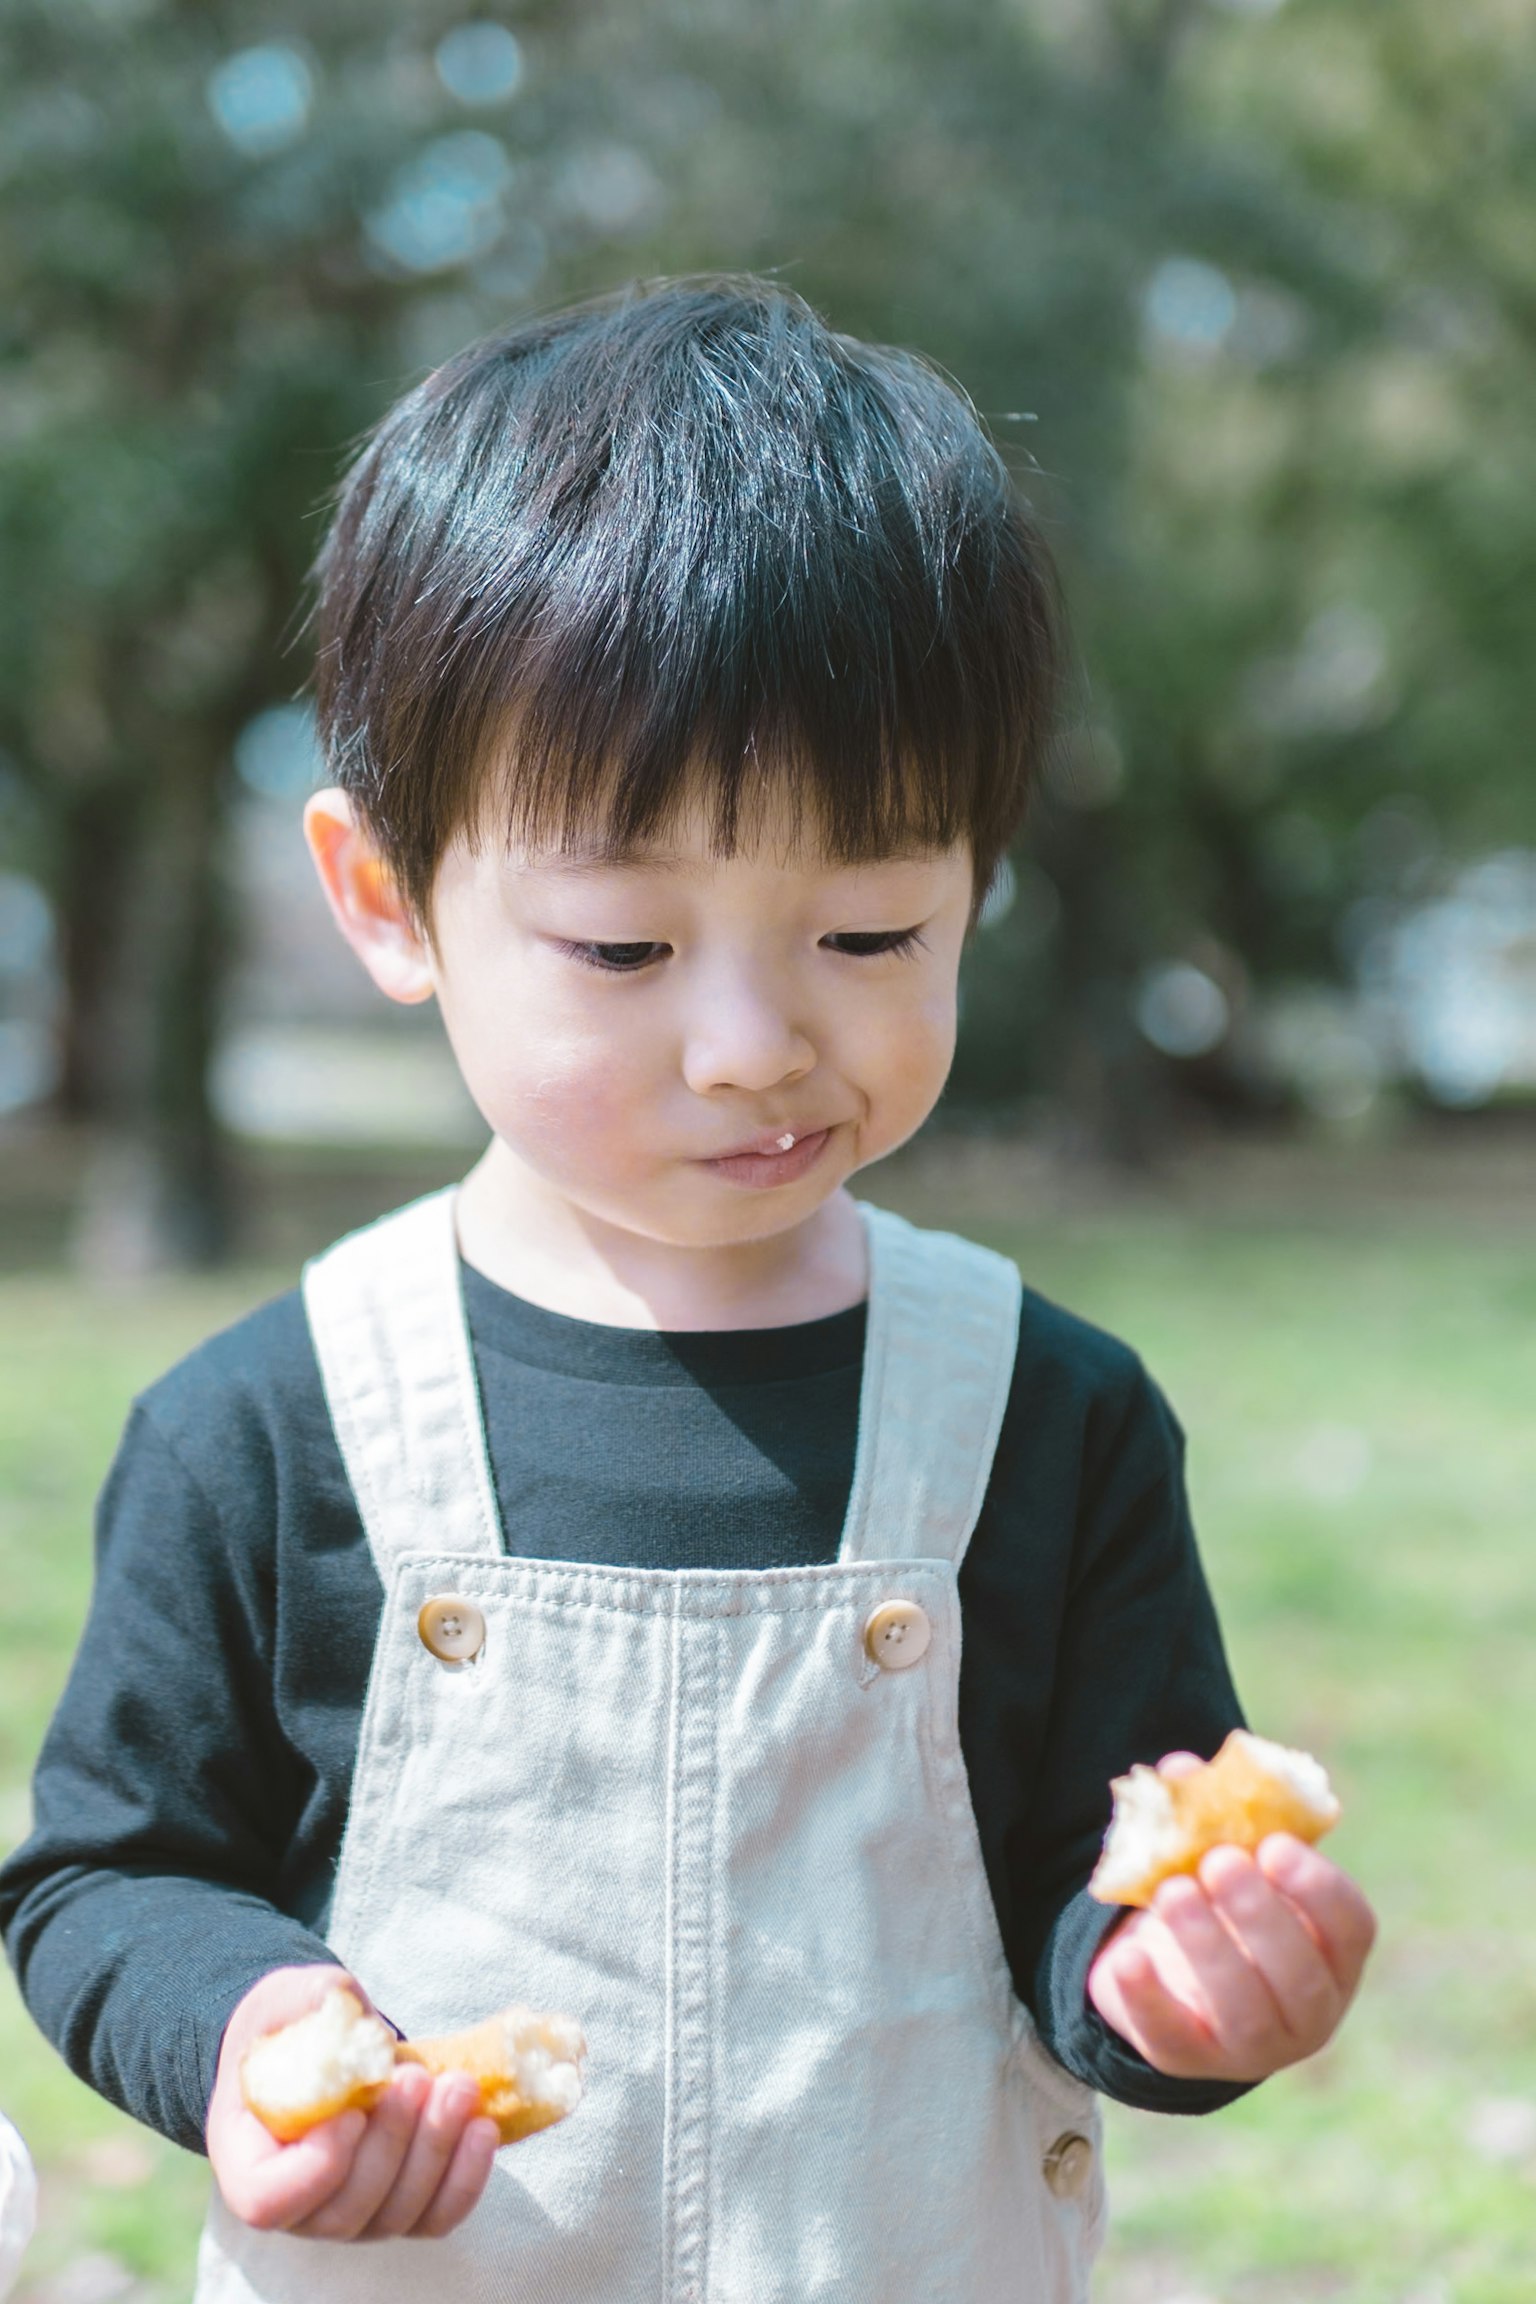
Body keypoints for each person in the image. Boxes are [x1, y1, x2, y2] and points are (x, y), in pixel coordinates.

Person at [0, 277, 1374, 2300]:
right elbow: (113, 1877)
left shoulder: (1048, 1417)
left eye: (872, 924)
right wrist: (248, 2038)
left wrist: (1185, 1989)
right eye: (626, 950)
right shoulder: (270, 1424)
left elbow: (1087, 1911)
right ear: (389, 901)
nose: (753, 1043)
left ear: (980, 881)